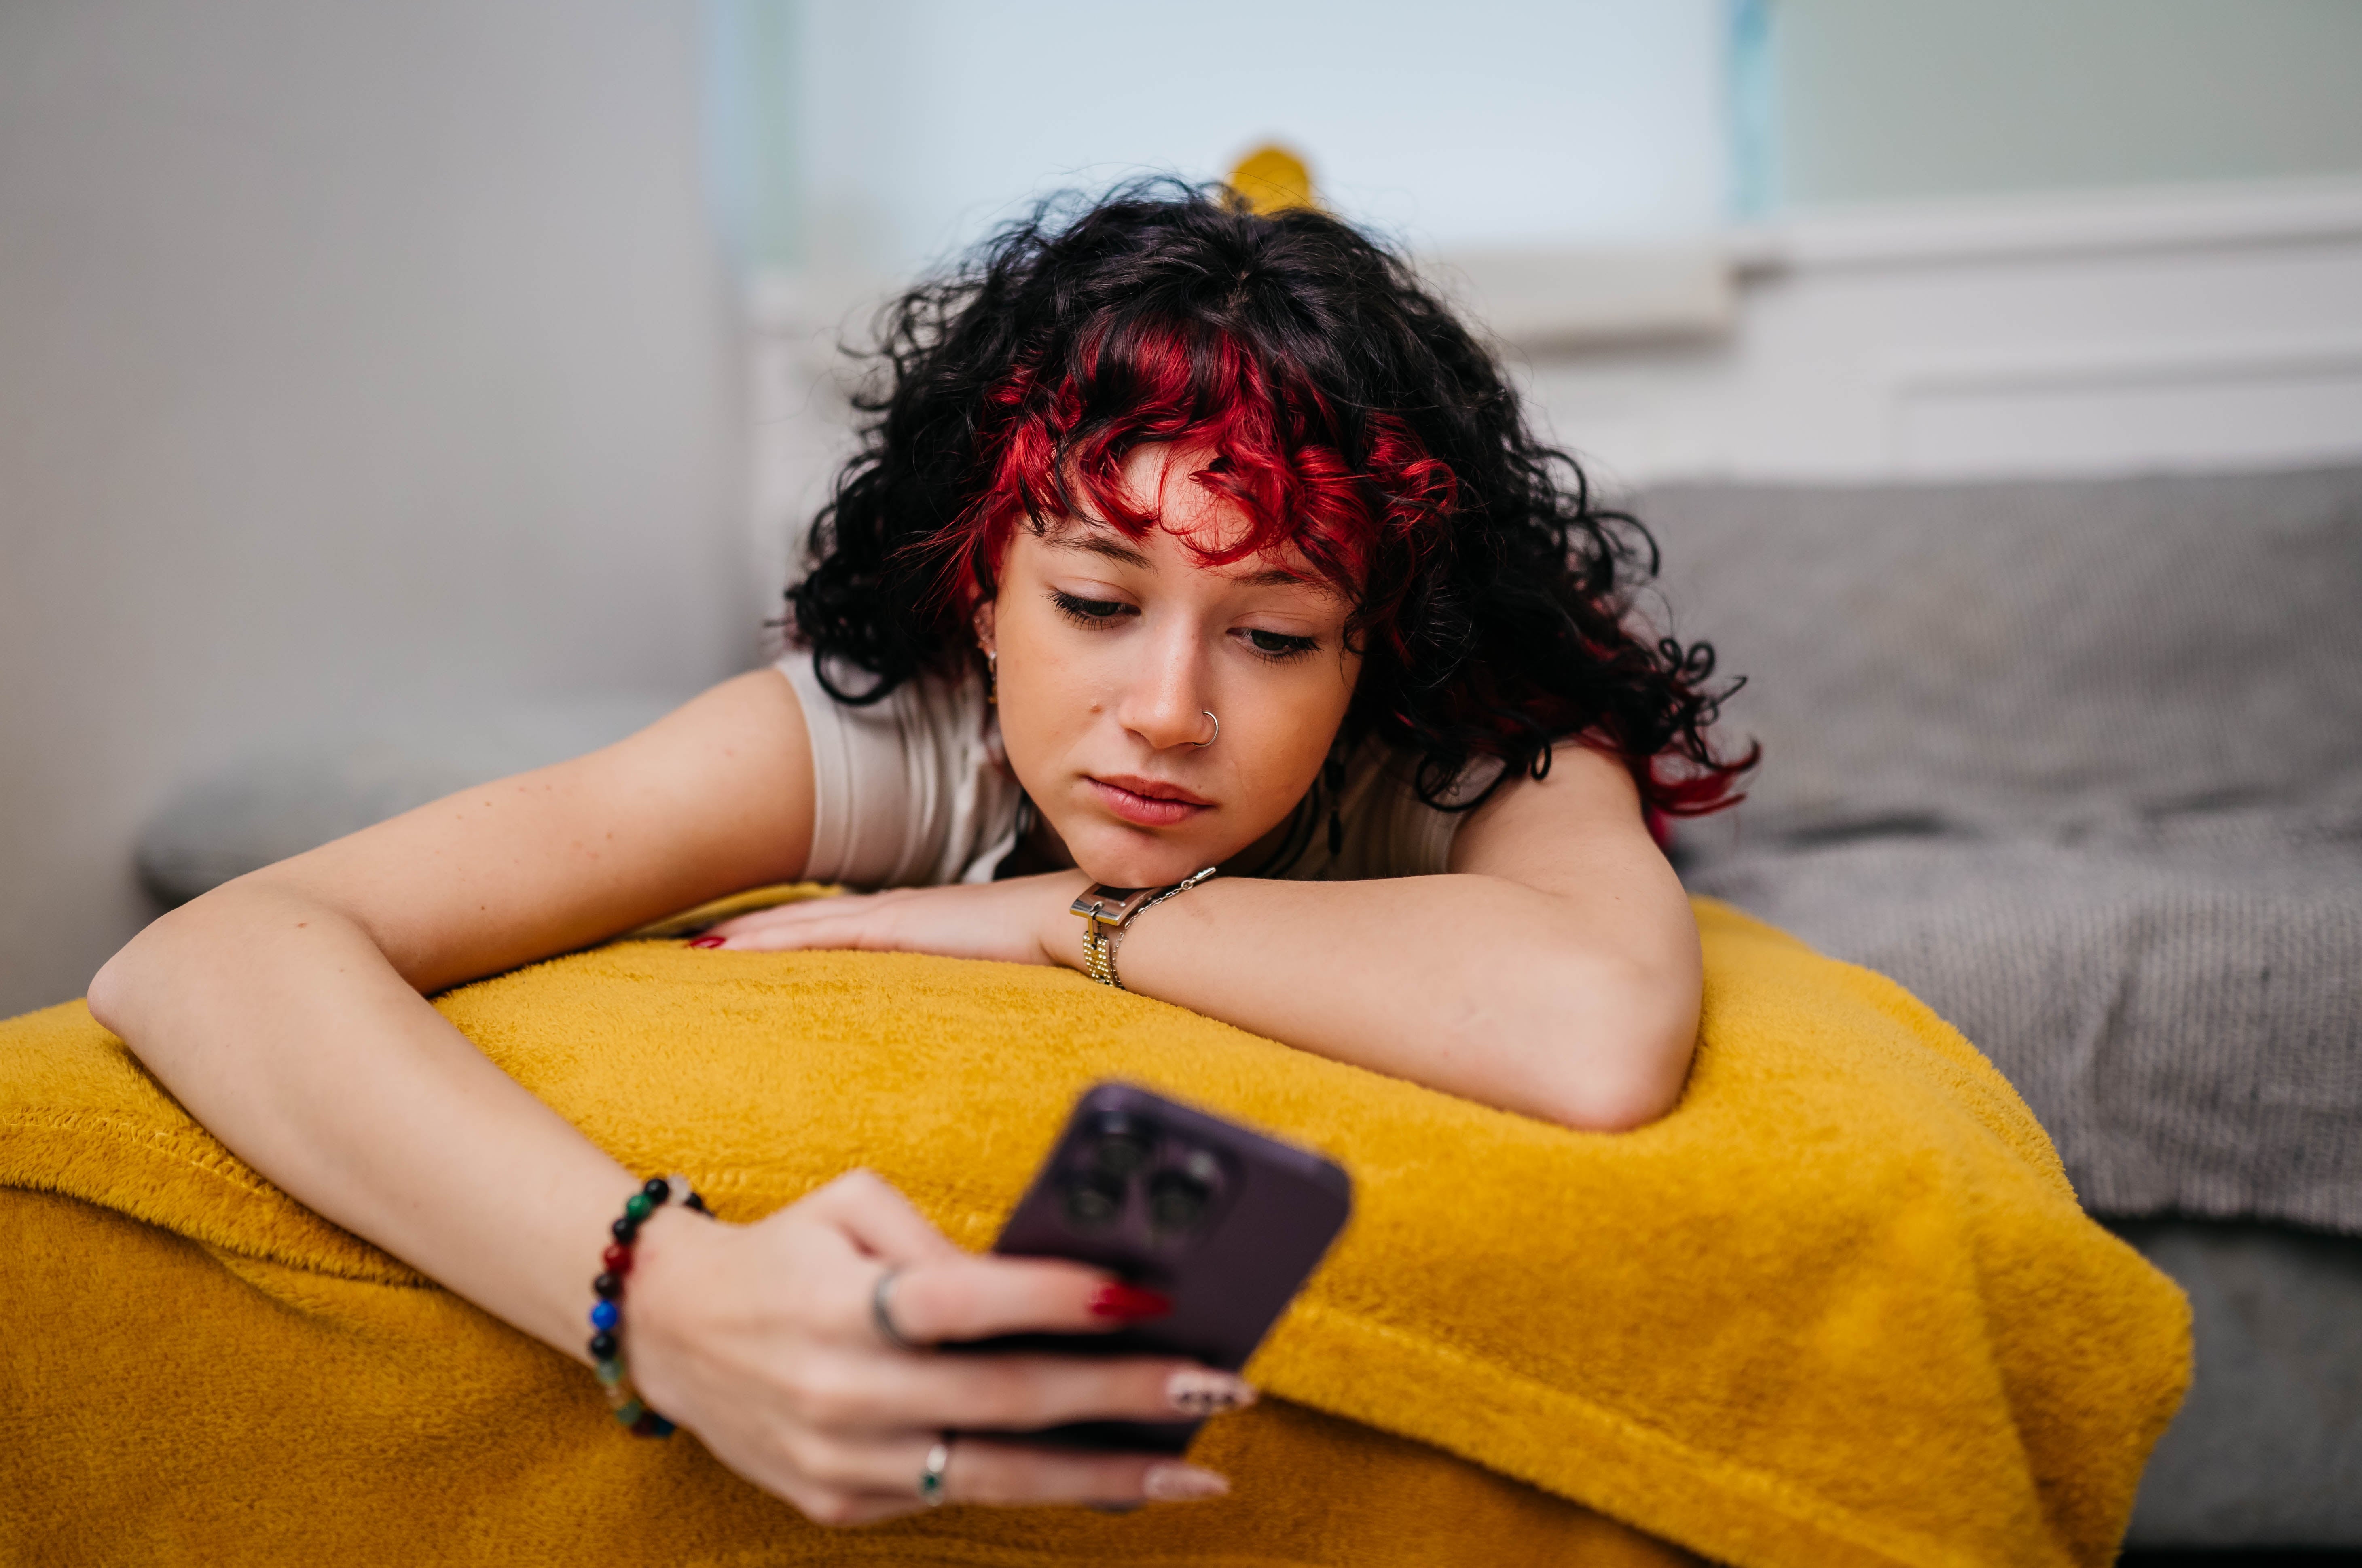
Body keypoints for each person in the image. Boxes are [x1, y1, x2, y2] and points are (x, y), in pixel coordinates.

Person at [87, 183, 1752, 1526]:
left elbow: (1592, 1027)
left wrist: (1065, 915)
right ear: (977, 582)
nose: (1164, 713)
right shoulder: (895, 732)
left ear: (1376, 645)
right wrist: (660, 1301)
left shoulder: (1480, 730)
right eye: (1094, 604)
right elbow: (217, 947)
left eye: (1276, 635)